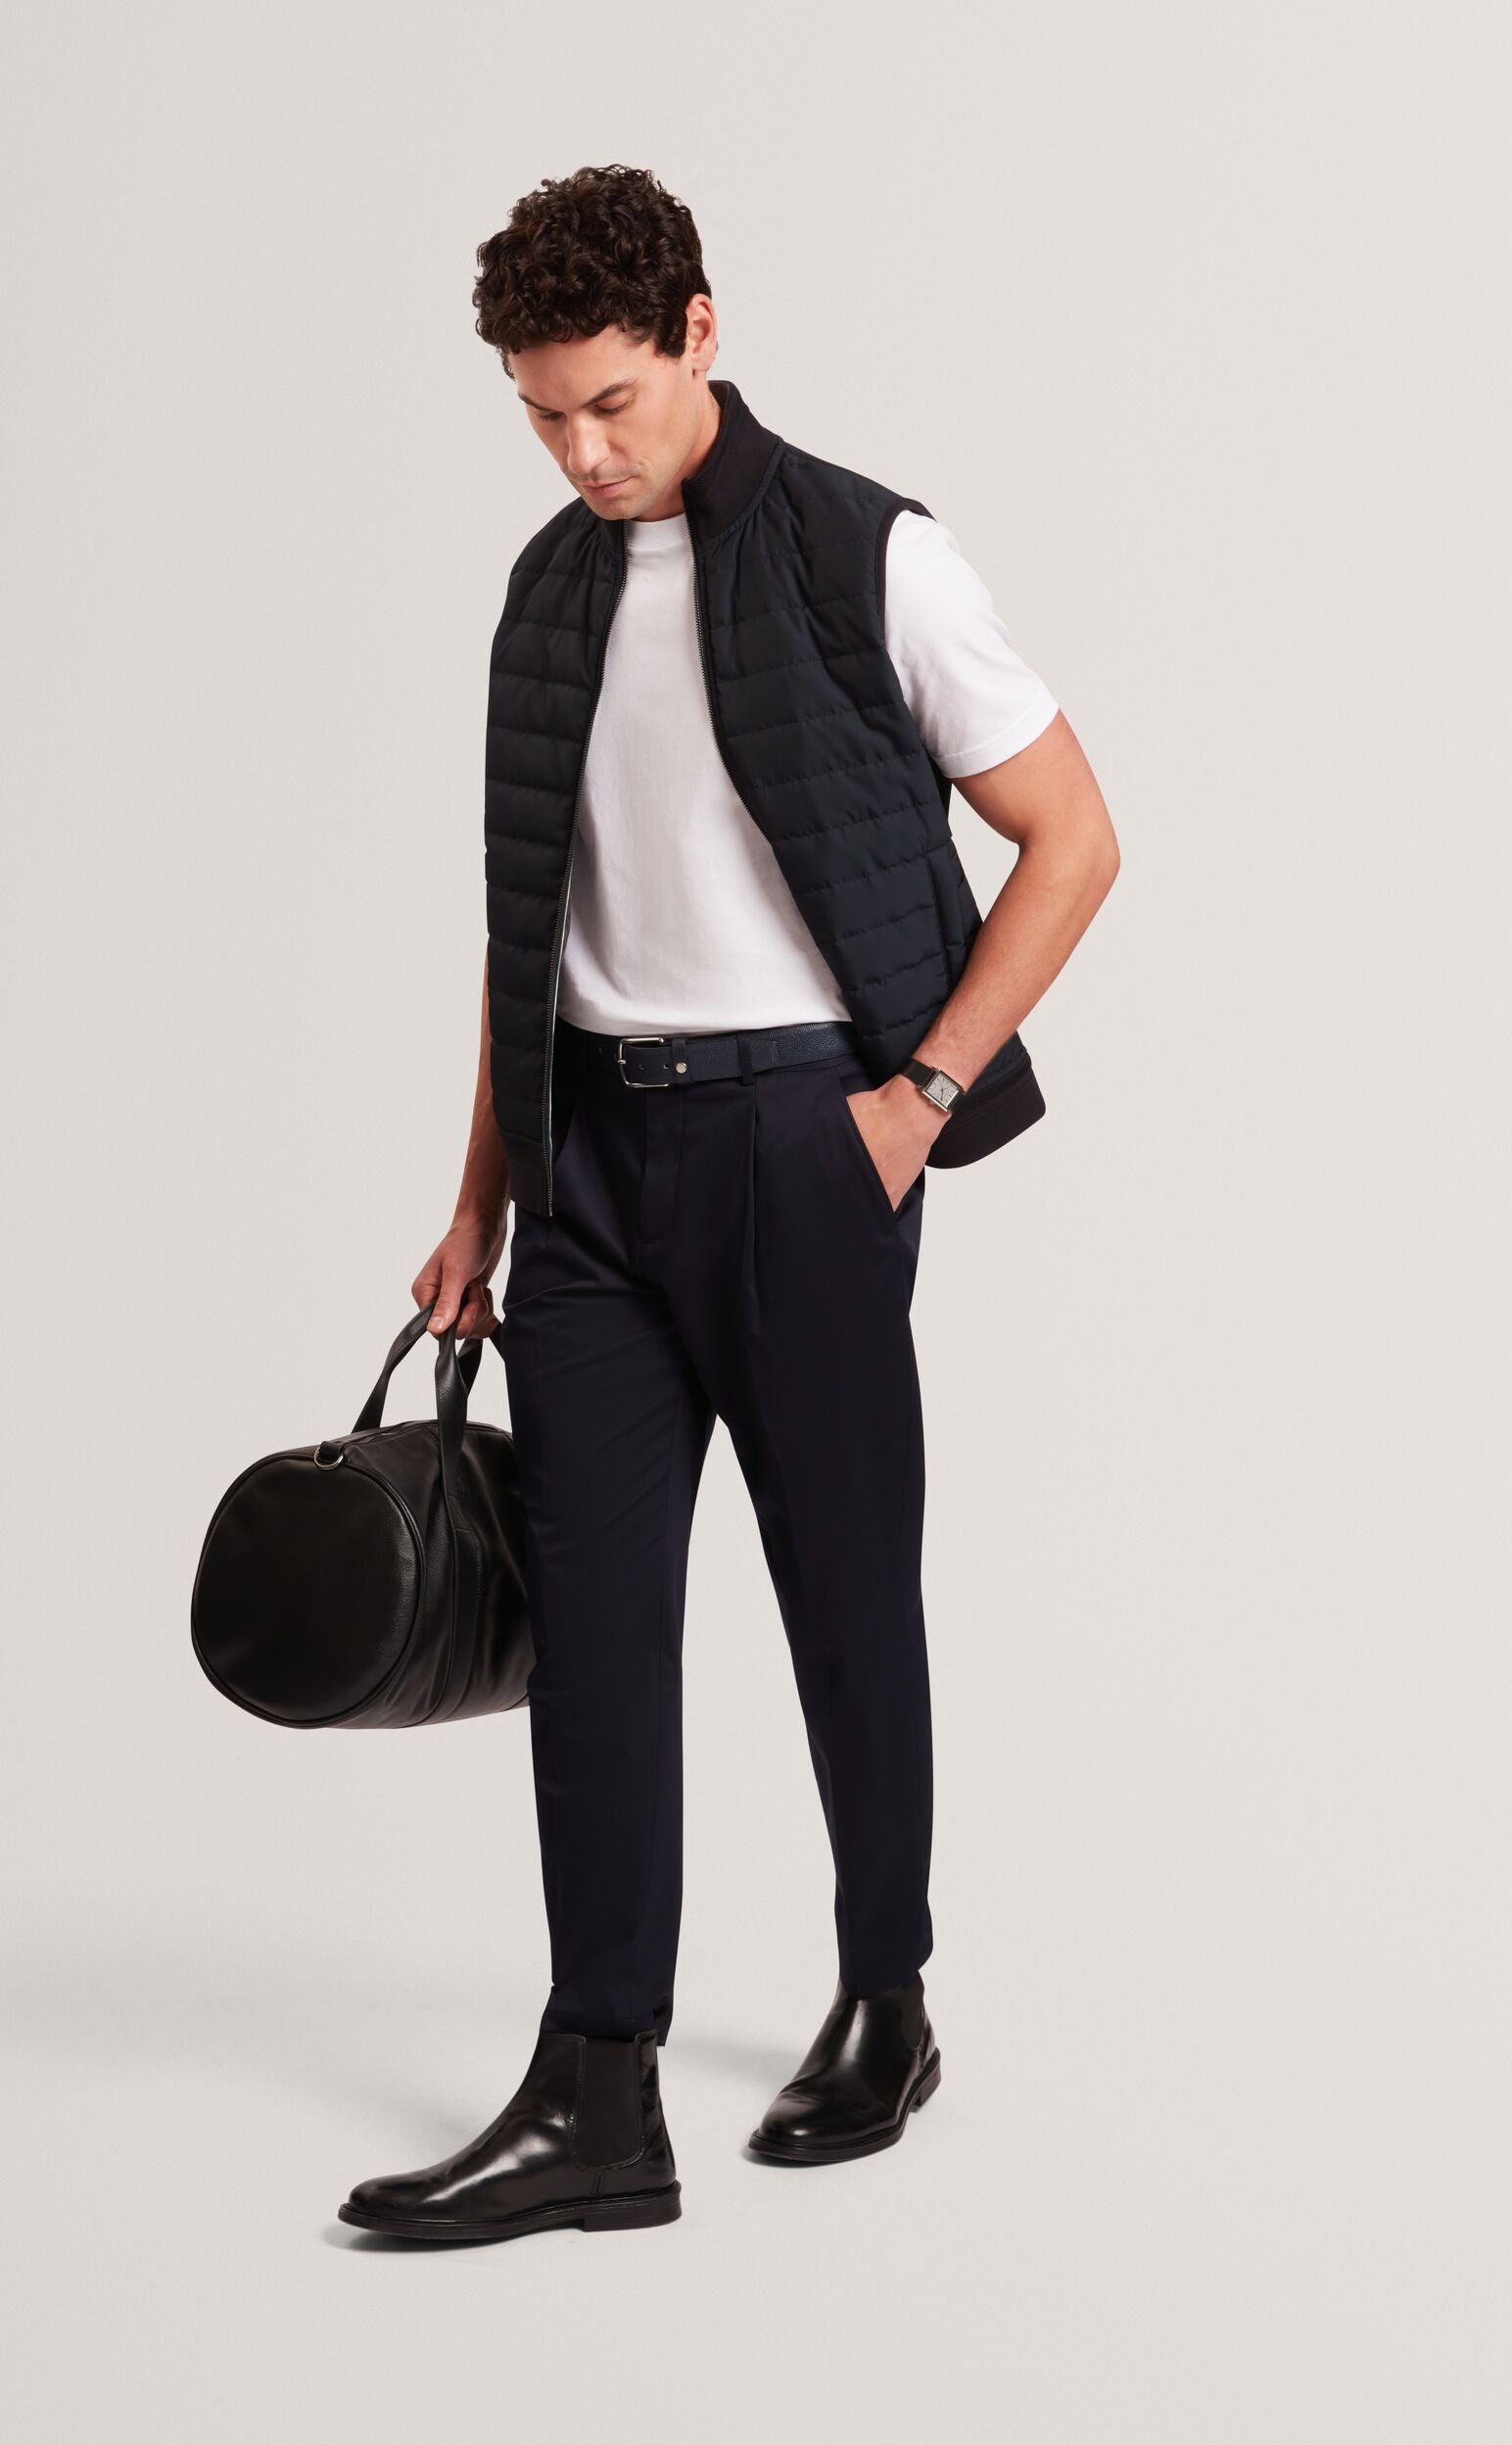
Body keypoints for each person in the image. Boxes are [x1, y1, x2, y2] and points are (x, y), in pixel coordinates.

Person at [339, 164, 1119, 2243]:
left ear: (699, 330)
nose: (582, 453)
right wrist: (481, 1199)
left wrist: (914, 1105)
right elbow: (529, 924)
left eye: (609, 400)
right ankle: (599, 2090)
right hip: (589, 1168)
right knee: (591, 1633)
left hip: (801, 1142)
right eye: (541, 416)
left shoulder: (869, 550)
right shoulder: (549, 593)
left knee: (844, 1591)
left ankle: (888, 1998)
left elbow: (1072, 836)